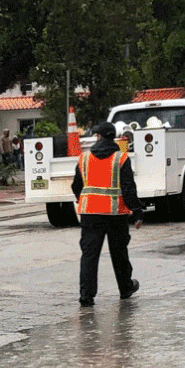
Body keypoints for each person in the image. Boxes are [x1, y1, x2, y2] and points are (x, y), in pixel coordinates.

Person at [70, 121, 142, 307]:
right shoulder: (121, 158)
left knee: (89, 255)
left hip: (90, 213)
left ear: (98, 136)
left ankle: (86, 296)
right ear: (114, 137)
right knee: (119, 253)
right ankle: (125, 288)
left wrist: (84, 199)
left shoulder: (84, 158)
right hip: (115, 214)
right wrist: (137, 211)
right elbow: (128, 187)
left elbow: (76, 185)